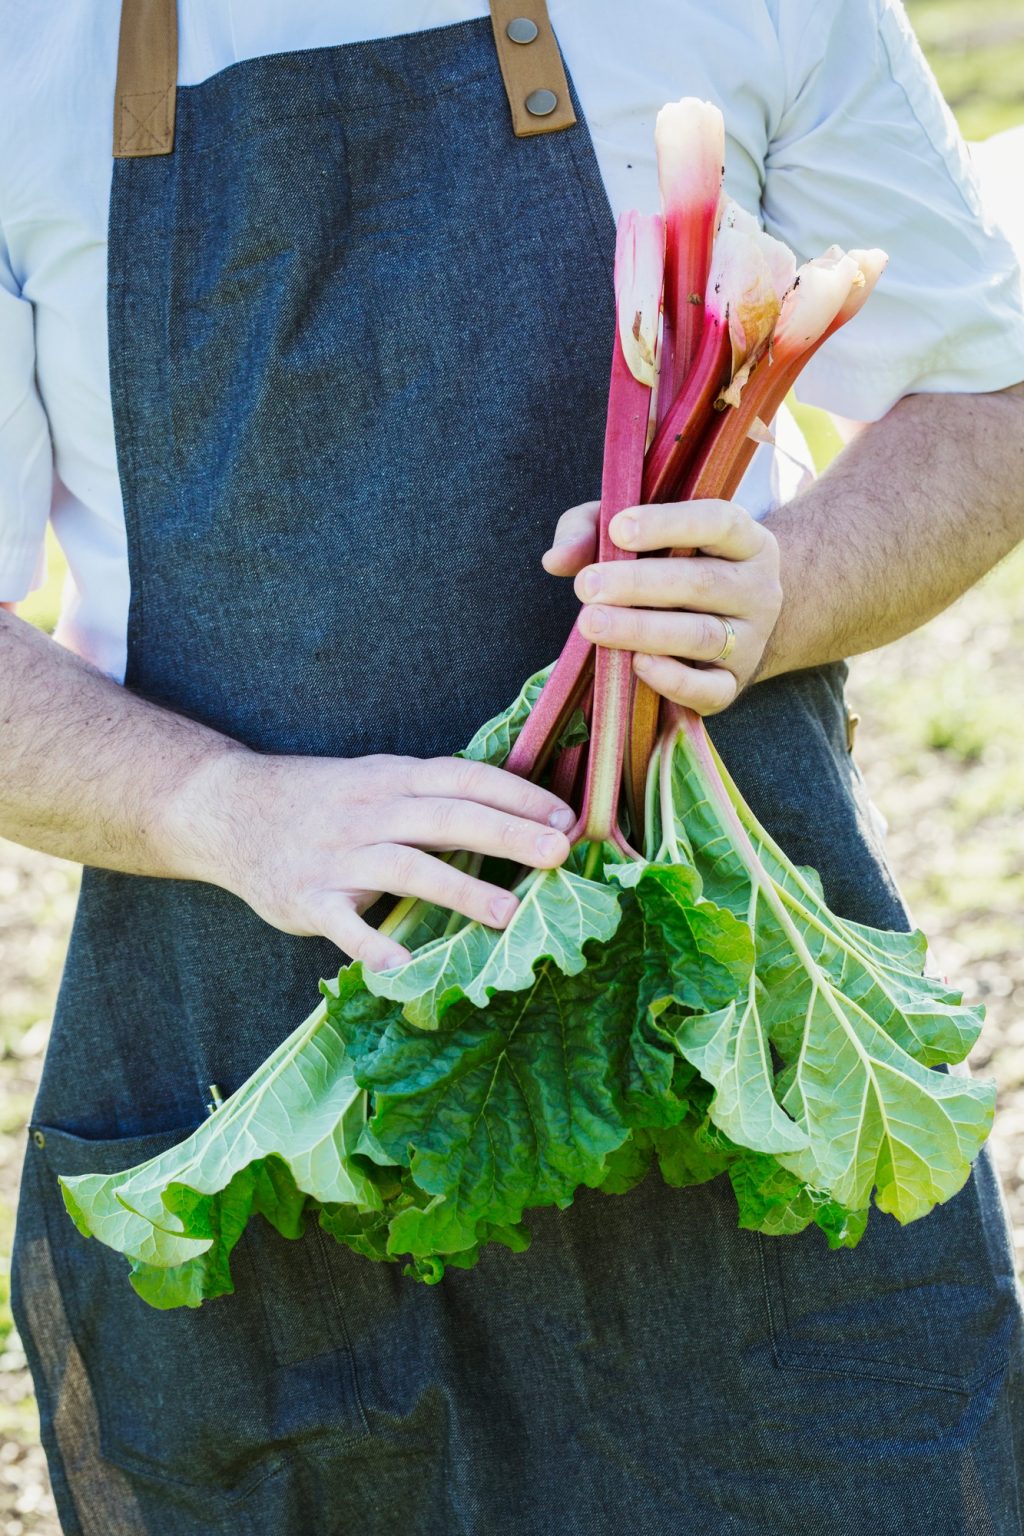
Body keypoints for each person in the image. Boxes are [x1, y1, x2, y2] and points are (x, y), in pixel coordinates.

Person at [2, 2, 1023, 1532]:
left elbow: (987, 389)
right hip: (272, 1069)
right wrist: (219, 807)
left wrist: (787, 588)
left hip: (731, 1029)